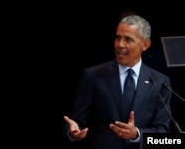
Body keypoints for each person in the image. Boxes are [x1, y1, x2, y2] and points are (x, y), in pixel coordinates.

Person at [63, 15, 172, 149]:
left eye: (128, 39)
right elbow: (77, 122)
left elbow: (163, 133)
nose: (120, 44)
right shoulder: (93, 76)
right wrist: (72, 132)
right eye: (117, 37)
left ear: (145, 45)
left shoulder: (160, 82)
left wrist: (136, 134)